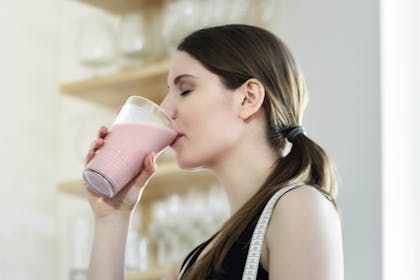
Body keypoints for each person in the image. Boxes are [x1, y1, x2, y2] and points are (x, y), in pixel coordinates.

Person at [85, 24, 344, 280]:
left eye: (185, 90)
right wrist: (113, 218)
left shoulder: (300, 206)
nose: (166, 109)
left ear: (248, 98)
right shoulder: (188, 267)